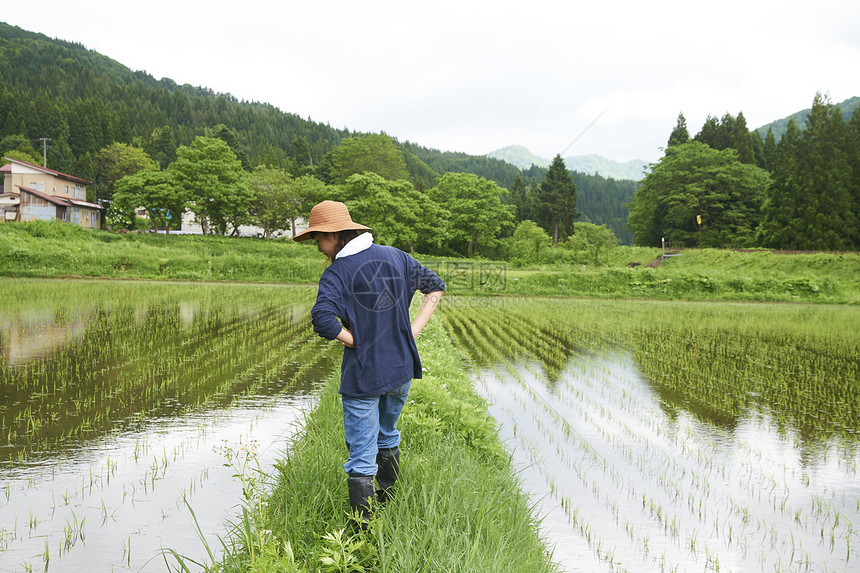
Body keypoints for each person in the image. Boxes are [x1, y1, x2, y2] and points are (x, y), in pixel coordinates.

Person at [294, 200, 445, 528]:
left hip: (365, 373)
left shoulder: (339, 271)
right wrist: (411, 331)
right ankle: (388, 502)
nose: (318, 246)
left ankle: (361, 532)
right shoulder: (396, 255)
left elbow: (322, 318)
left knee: (361, 453)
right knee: (386, 432)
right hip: (401, 367)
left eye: (318, 239)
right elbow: (435, 287)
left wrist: (357, 340)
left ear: (335, 235)